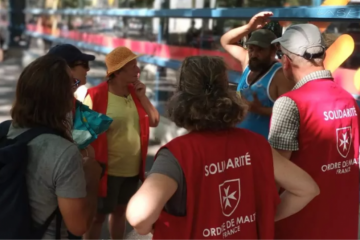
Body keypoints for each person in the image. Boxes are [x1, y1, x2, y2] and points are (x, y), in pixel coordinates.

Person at [125, 56, 319, 239]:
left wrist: (151, 228)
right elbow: (306, 189)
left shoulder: (177, 155)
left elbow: (139, 216)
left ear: (181, 96)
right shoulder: (255, 144)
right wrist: (265, 216)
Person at [269, 23, 360, 239]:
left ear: (286, 61)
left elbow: (275, 178)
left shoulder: (290, 103)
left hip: (299, 225)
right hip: (342, 223)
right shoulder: (348, 100)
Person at [7, 55, 102, 239]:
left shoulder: (5, 131)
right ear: (61, 96)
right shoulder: (64, 153)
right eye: (73, 83)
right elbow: (79, 226)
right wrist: (92, 178)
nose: (75, 89)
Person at [83, 46, 160, 239]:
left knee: (119, 214)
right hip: (105, 172)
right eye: (132, 66)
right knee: (97, 217)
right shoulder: (95, 96)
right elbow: (82, 136)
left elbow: (154, 121)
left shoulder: (136, 93)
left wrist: (142, 97)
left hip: (132, 170)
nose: (138, 70)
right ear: (117, 72)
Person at [220, 11, 294, 138]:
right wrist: (249, 27)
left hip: (263, 147)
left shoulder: (279, 76)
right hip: (239, 142)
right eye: (252, 49)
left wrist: (259, 110)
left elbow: (291, 114)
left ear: (273, 50)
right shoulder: (248, 62)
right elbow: (225, 41)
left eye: (260, 50)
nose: (254, 54)